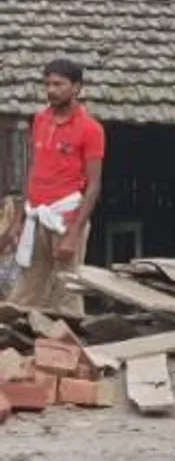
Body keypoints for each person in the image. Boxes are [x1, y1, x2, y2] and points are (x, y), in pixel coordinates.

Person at [0, 59, 105, 314]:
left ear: (76, 87)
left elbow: (93, 185)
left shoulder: (91, 129)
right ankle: (13, 346)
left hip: (65, 217)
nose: (51, 90)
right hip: (36, 215)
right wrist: (18, 222)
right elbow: (34, 170)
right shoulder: (40, 120)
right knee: (26, 287)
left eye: (58, 84)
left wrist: (73, 233)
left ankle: (67, 349)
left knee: (66, 290)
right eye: (47, 84)